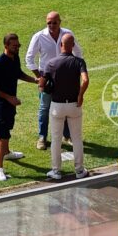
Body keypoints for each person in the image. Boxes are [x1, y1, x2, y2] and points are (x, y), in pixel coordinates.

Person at [25, 11, 83, 150]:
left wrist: (74, 68)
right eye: (49, 23)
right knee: (44, 108)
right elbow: (29, 58)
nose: (51, 25)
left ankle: (67, 135)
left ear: (60, 22)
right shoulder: (39, 36)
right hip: (48, 79)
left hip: (65, 78)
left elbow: (78, 52)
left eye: (54, 22)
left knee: (65, 105)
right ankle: (42, 137)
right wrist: (39, 77)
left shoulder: (67, 34)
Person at [0, 33, 37, 181]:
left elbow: (18, 74)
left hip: (10, 102)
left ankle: (7, 152)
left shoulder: (15, 58)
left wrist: (35, 80)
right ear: (6, 46)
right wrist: (9, 98)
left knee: (7, 130)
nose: (17, 48)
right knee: (2, 135)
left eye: (18, 45)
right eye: (14, 46)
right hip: (0, 104)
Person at [40, 33, 89, 181]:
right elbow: (85, 80)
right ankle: (79, 170)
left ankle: (56, 171)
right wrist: (80, 95)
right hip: (74, 105)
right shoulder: (79, 62)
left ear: (61, 45)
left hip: (57, 106)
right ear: (72, 46)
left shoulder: (51, 63)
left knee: (56, 139)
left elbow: (41, 85)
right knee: (77, 138)